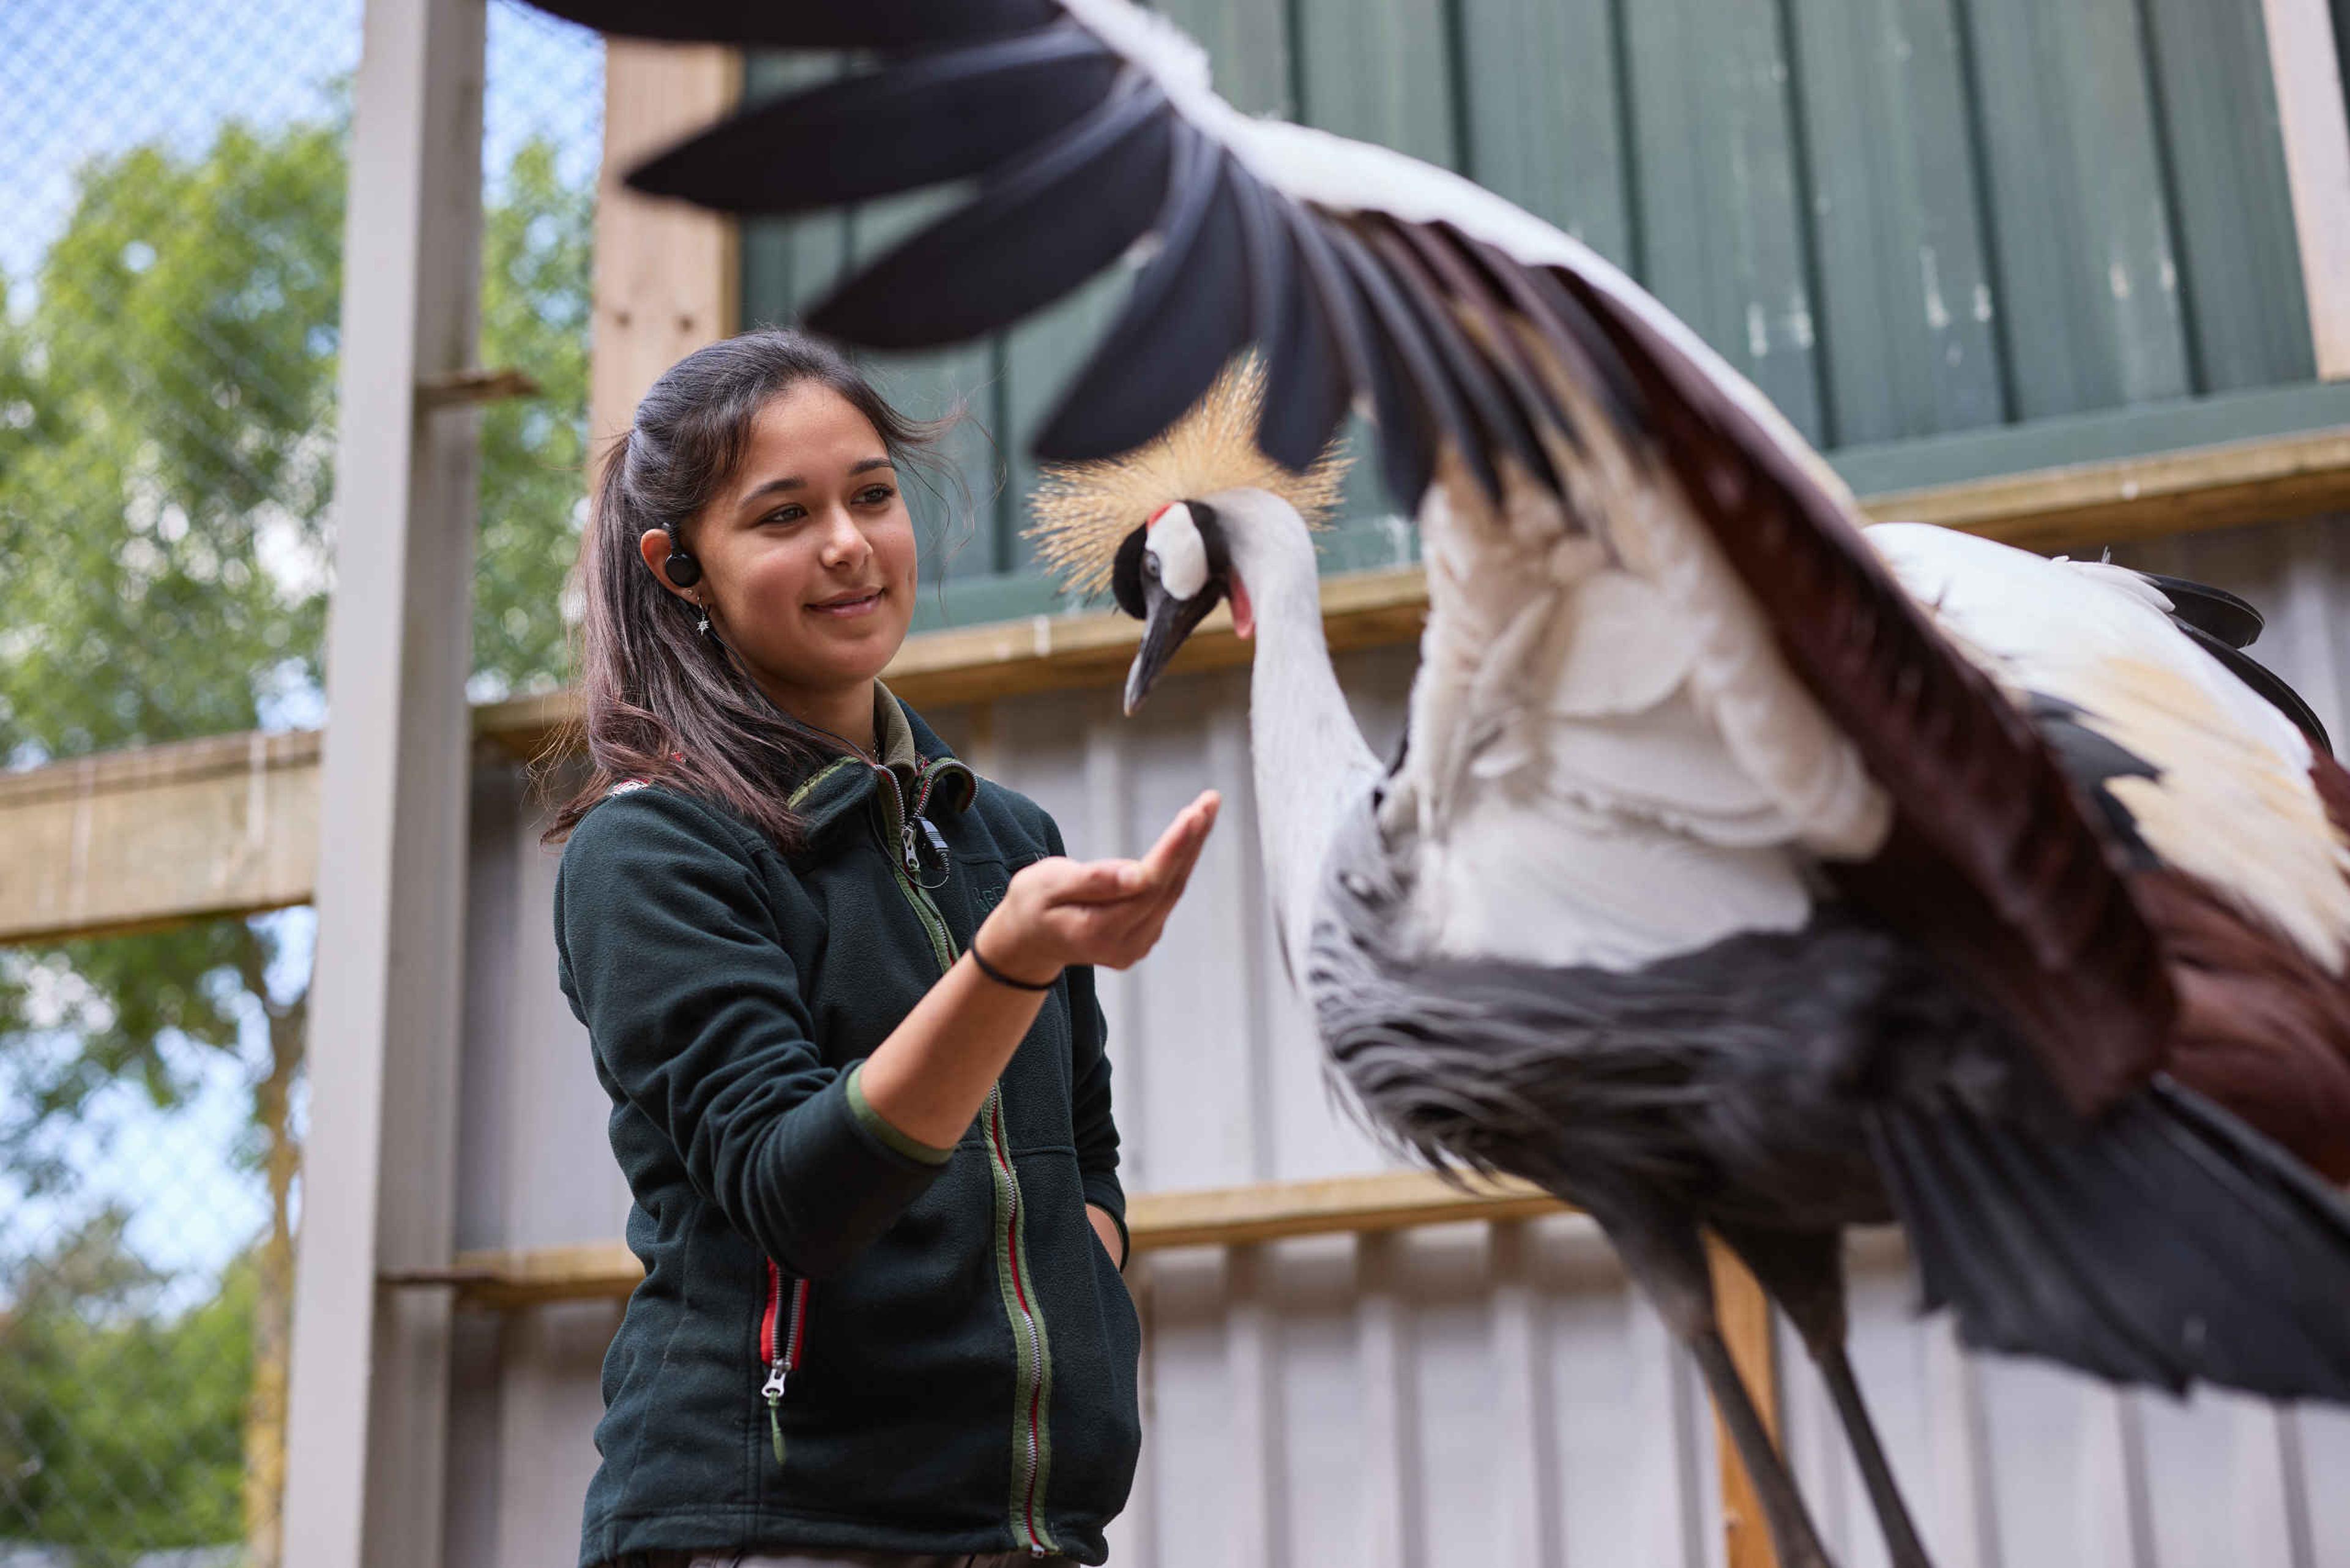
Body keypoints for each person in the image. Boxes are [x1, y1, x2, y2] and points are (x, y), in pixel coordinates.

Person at [543, 328, 1217, 1568]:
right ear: (679, 567)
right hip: (773, 1531)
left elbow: (1090, 1172)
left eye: (872, 494)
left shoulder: (1007, 842)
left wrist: (1080, 1289)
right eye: (783, 516)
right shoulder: (651, 856)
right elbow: (801, 1197)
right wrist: (1003, 968)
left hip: (1031, 1539)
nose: (849, 545)